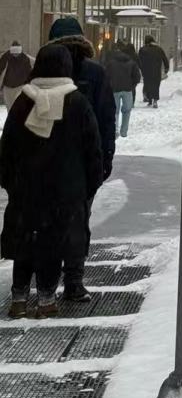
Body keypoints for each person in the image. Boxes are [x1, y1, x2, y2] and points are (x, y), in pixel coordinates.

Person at [0, 43, 103, 318]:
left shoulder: (23, 102)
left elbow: (6, 146)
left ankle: (19, 298)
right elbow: (93, 149)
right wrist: (88, 186)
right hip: (65, 193)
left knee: (25, 245)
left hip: (25, 190)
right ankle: (46, 300)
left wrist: (10, 182)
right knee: (52, 246)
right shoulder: (78, 103)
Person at [47, 16, 116, 301]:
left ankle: (46, 283)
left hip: (46, 163)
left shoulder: (43, 73)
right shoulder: (95, 73)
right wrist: (104, 160)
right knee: (78, 220)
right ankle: (74, 280)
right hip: (83, 162)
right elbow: (105, 119)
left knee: (46, 220)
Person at [104, 39, 141, 138]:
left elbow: (106, 75)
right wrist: (131, 85)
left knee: (114, 110)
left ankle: (115, 130)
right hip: (127, 90)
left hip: (114, 89)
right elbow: (137, 77)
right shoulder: (131, 63)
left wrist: (109, 85)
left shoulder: (111, 63)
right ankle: (124, 131)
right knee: (127, 110)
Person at [138, 35, 169, 108]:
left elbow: (139, 60)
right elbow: (164, 58)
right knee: (156, 86)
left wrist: (140, 68)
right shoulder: (159, 49)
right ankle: (155, 100)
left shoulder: (143, 49)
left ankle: (149, 100)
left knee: (148, 85)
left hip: (146, 71)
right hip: (156, 71)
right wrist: (166, 68)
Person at [0, 41, 32, 111]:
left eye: (17, 53)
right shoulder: (6, 56)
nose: (15, 55)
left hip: (20, 86)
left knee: (18, 107)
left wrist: (28, 85)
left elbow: (29, 72)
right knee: (9, 107)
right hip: (7, 86)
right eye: (14, 53)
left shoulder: (25, 58)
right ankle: (11, 120)